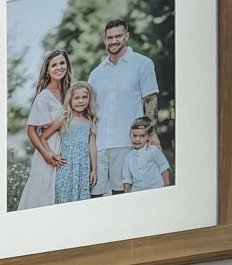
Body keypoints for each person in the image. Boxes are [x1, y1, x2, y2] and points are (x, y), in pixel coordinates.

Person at [88, 18, 159, 197]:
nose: (113, 41)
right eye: (109, 37)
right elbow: (90, 109)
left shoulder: (142, 64)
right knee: (95, 195)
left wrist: (152, 134)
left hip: (127, 143)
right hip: (100, 144)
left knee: (123, 194)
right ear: (104, 40)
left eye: (118, 36)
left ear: (126, 35)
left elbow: (150, 100)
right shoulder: (96, 74)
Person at [16, 50, 71, 210]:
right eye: (54, 65)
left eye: (62, 63)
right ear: (47, 70)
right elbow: (31, 130)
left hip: (67, 147)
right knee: (44, 193)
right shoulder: (44, 96)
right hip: (49, 148)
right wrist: (46, 154)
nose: (59, 67)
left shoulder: (69, 92)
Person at [52, 82, 98, 204]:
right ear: (70, 99)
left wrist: (94, 170)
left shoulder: (90, 120)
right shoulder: (65, 119)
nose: (81, 101)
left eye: (84, 97)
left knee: (81, 200)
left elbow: (92, 146)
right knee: (64, 197)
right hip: (66, 166)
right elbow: (43, 137)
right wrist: (51, 155)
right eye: (76, 98)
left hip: (83, 167)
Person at [122, 116, 171, 191]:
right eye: (135, 135)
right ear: (130, 135)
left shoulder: (153, 150)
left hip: (156, 190)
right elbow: (127, 181)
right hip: (138, 194)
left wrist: (166, 189)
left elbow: (164, 169)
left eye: (142, 136)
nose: (137, 139)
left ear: (149, 136)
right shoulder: (128, 158)